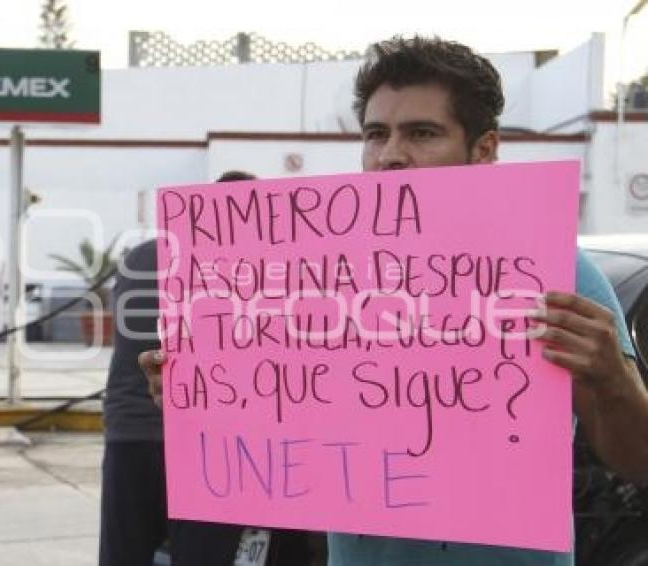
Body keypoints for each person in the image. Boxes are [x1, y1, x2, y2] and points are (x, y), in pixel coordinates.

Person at [139, 36, 648, 565]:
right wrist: (203, 391)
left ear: (484, 150)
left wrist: (612, 376)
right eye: (376, 135)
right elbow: (286, 439)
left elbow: (637, 462)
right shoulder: (318, 279)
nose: (391, 156)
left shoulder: (554, 273)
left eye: (422, 134)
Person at [99, 171, 253, 566]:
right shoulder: (241, 265)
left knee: (126, 550)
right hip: (208, 443)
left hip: (129, 432)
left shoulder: (141, 256)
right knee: (203, 553)